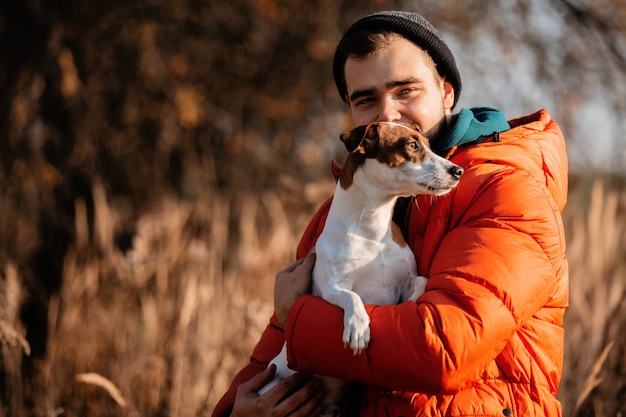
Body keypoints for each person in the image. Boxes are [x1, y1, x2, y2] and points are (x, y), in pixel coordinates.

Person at [212, 10, 568, 417]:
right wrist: (236, 411)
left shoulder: (504, 193)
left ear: (447, 92)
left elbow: (443, 351)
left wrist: (300, 316)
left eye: (405, 91)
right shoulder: (335, 215)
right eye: (366, 99)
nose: (388, 114)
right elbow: (277, 347)